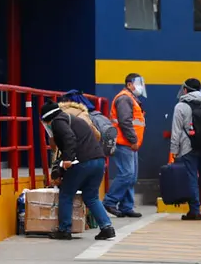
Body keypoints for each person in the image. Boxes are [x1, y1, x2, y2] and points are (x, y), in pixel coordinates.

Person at [41, 99, 115, 241]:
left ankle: (64, 229)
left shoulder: (57, 122)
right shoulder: (74, 119)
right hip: (99, 160)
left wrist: (67, 159)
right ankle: (107, 227)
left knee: (66, 193)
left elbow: (69, 138)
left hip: (83, 162)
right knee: (91, 196)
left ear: (47, 119)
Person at [171, 78, 201, 221]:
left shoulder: (180, 107)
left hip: (188, 147)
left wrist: (174, 151)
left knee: (192, 178)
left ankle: (194, 211)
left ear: (185, 90)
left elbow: (176, 132)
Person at [103, 73, 146, 219]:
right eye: (137, 84)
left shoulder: (131, 99)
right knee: (126, 174)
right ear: (129, 84)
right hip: (124, 143)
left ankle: (126, 206)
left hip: (130, 143)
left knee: (131, 177)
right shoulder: (124, 99)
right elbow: (125, 122)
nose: (140, 87)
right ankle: (109, 201)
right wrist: (133, 140)